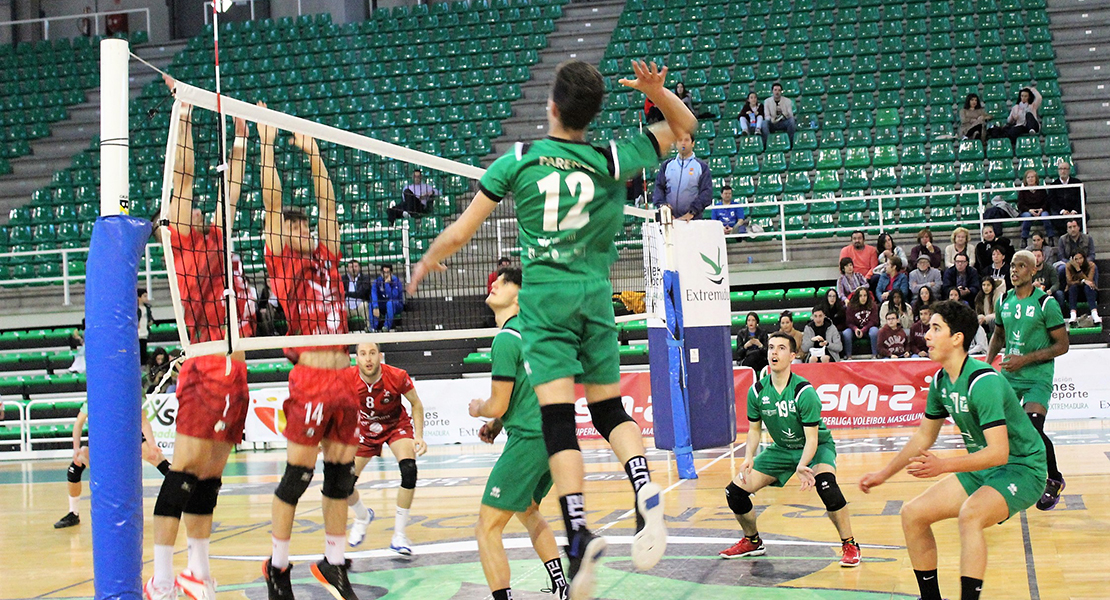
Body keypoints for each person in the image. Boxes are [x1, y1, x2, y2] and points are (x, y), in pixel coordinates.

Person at [407, 60, 693, 598]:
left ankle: (580, 532)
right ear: (590, 114)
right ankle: (642, 484)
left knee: (560, 420)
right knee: (611, 411)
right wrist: (656, 92)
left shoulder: (519, 160)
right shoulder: (612, 156)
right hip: (594, 298)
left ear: (552, 107)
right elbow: (686, 127)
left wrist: (426, 262)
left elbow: (462, 231)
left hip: (547, 306)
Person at [860, 300, 1047, 600]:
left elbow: (999, 453)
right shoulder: (940, 380)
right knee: (912, 514)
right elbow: (923, 437)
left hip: (1022, 468)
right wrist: (883, 474)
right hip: (983, 469)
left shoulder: (982, 381)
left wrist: (943, 465)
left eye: (936, 328)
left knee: (970, 515)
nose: (927, 336)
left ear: (957, 338)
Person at [146, 80, 252, 600]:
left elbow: (231, 187)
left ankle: (198, 571)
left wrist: (239, 134)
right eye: (178, 207)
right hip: (204, 363)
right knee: (182, 473)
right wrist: (184, 112)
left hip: (236, 367)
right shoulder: (181, 242)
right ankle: (162, 579)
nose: (188, 207)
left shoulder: (219, 233)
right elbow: (184, 177)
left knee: (210, 476)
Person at [259, 114, 360, 599]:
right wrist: (266, 147)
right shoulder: (281, 260)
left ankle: (334, 563)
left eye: (302, 225)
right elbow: (271, 202)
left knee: (340, 478)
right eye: (292, 225)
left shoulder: (328, 256)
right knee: (296, 477)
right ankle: (278, 567)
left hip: (344, 381)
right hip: (311, 381)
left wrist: (313, 151)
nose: (301, 229)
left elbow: (329, 204)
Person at [470, 267, 570, 600]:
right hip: (554, 438)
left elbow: (498, 403)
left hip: (529, 439)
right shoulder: (536, 334)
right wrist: (498, 426)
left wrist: (480, 409)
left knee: (487, 527)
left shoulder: (505, 339)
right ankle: (560, 585)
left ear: (519, 295)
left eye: (503, 281)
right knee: (528, 509)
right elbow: (526, 391)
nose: (494, 283)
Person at [718, 332, 860, 565]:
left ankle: (850, 544)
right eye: (771, 347)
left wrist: (803, 464)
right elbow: (754, 430)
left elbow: (812, 439)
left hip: (815, 447)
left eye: (781, 348)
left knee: (827, 487)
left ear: (793, 356)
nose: (774, 352)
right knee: (734, 492)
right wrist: (748, 457)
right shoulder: (757, 391)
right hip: (781, 449)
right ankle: (752, 541)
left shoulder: (804, 392)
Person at [988, 250, 1072, 511]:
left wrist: (1024, 359)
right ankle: (1009, 475)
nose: (1014, 270)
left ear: (1034, 271)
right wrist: (986, 363)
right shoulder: (1004, 300)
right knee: (999, 427)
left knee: (1033, 427)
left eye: (1021, 266)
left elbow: (1062, 346)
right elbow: (999, 335)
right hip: (1010, 375)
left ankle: (1054, 479)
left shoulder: (1046, 304)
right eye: (1012, 266)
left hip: (1037, 376)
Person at [345, 342, 427, 554]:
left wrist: (418, 436)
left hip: (395, 425)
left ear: (380, 355)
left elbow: (416, 404)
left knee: (409, 470)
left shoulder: (397, 375)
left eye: (372, 353)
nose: (368, 358)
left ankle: (399, 535)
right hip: (365, 431)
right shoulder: (347, 378)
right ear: (356, 358)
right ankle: (363, 516)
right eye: (363, 354)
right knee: (342, 483)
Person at [55, 400, 171, 529]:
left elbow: (143, 421)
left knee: (162, 463)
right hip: (104, 441)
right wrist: (76, 448)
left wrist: (152, 444)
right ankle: (73, 513)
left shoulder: (127, 393)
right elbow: (78, 423)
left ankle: (185, 499)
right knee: (75, 467)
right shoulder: (95, 397)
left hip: (129, 437)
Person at [651, 130, 712, 221]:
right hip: (668, 221)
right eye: (680, 140)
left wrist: (692, 212)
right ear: (676, 143)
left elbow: (706, 193)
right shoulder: (667, 165)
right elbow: (659, 188)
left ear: (693, 143)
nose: (683, 143)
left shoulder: (701, 167)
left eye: (686, 140)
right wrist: (664, 208)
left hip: (692, 221)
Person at [1017, 169, 1056, 244]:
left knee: (1045, 216)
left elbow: (1046, 202)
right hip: (1027, 211)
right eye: (1028, 177)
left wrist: (1041, 209)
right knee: (1027, 217)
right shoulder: (1022, 191)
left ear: (1036, 179)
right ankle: (1024, 239)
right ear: (1025, 179)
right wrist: (1030, 210)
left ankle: (1051, 237)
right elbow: (1020, 205)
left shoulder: (1042, 190)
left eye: (1032, 177)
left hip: (1041, 210)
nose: (1030, 179)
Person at [1064, 250, 1101, 325]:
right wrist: (1082, 281)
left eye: (1080, 258)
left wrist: (1078, 270)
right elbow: (1069, 282)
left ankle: (1094, 314)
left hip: (1089, 292)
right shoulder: (1068, 266)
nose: (1078, 261)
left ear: (1084, 258)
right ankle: (1073, 315)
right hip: (1073, 292)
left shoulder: (1091, 265)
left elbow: (1090, 282)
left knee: (1088, 287)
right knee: (1073, 287)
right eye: (1076, 259)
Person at [842, 286, 880, 358]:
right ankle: (848, 356)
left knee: (875, 331)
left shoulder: (873, 305)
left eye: (865, 295)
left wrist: (863, 330)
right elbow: (849, 322)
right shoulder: (850, 306)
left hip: (868, 328)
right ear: (857, 297)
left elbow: (874, 321)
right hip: (854, 329)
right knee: (846, 333)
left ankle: (875, 355)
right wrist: (855, 329)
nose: (863, 298)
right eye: (861, 296)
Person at [1047, 160, 1084, 232]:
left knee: (1085, 216)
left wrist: (1074, 211)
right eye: (1060, 169)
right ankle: (1065, 237)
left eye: (1065, 169)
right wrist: (1062, 211)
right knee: (1055, 219)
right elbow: (1052, 201)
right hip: (1060, 211)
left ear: (1069, 170)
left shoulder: (1077, 182)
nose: (1063, 171)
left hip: (1074, 210)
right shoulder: (1053, 185)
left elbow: (1082, 198)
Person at [1055, 218, 1096, 283]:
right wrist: (1071, 263)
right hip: (1069, 263)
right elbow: (1061, 256)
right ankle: (1062, 290)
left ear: (1079, 227)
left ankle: (1093, 288)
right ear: (1067, 229)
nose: (1072, 229)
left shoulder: (1088, 238)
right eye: (1070, 227)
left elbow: (1092, 254)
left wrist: (1082, 262)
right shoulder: (1062, 239)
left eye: (1074, 226)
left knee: (1093, 267)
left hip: (1084, 263)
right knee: (1061, 269)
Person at [760, 82, 796, 147]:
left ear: (781, 92)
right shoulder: (767, 101)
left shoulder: (788, 101)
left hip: (783, 121)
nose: (777, 92)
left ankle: (791, 142)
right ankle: (768, 143)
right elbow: (767, 115)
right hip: (772, 122)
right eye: (775, 90)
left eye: (779, 90)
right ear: (772, 91)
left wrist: (784, 114)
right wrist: (771, 119)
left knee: (792, 121)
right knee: (764, 123)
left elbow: (790, 115)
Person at [371, 264, 405, 332]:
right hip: (383, 304)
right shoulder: (377, 281)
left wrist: (387, 284)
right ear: (381, 273)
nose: (385, 274)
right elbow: (373, 294)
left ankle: (386, 326)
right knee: (371, 304)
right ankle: (373, 327)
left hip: (396, 305)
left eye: (388, 272)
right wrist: (375, 307)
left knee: (390, 303)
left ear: (391, 273)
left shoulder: (396, 281)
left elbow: (393, 297)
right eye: (384, 272)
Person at [342, 260, 372, 330]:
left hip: (359, 306)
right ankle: (343, 330)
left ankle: (369, 328)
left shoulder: (365, 278)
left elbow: (362, 293)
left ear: (359, 268)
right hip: (347, 308)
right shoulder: (342, 279)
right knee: (340, 309)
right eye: (351, 267)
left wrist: (347, 293)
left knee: (365, 305)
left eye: (356, 266)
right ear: (347, 269)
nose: (353, 268)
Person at [138, 289, 153, 363]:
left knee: (144, 354)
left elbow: (150, 318)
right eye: (144, 296)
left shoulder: (147, 308)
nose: (146, 298)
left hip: (144, 333)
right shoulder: (135, 309)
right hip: (138, 334)